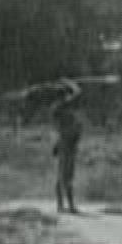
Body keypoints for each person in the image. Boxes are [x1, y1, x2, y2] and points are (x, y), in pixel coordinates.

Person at [51, 79, 84, 214]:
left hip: (66, 142)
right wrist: (69, 82)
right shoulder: (61, 107)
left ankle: (62, 205)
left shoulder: (58, 108)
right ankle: (67, 205)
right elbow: (78, 92)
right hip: (67, 142)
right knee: (66, 174)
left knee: (63, 174)